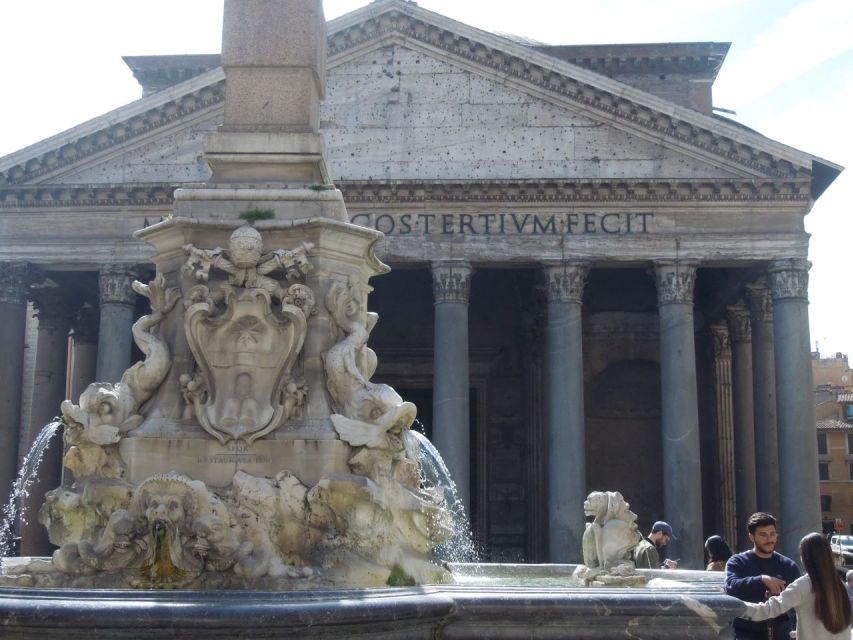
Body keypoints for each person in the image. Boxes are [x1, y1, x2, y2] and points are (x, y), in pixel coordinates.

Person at [738, 532, 852, 639]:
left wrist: (736, 607)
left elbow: (768, 610)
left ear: (805, 557)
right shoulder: (841, 585)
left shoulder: (803, 585)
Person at [725, 512, 801, 640]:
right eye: (763, 535)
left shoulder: (789, 565)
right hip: (746, 633)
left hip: (781, 633)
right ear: (751, 537)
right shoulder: (737, 561)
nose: (769, 539)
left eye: (772, 534)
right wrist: (762, 580)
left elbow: (799, 599)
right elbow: (731, 586)